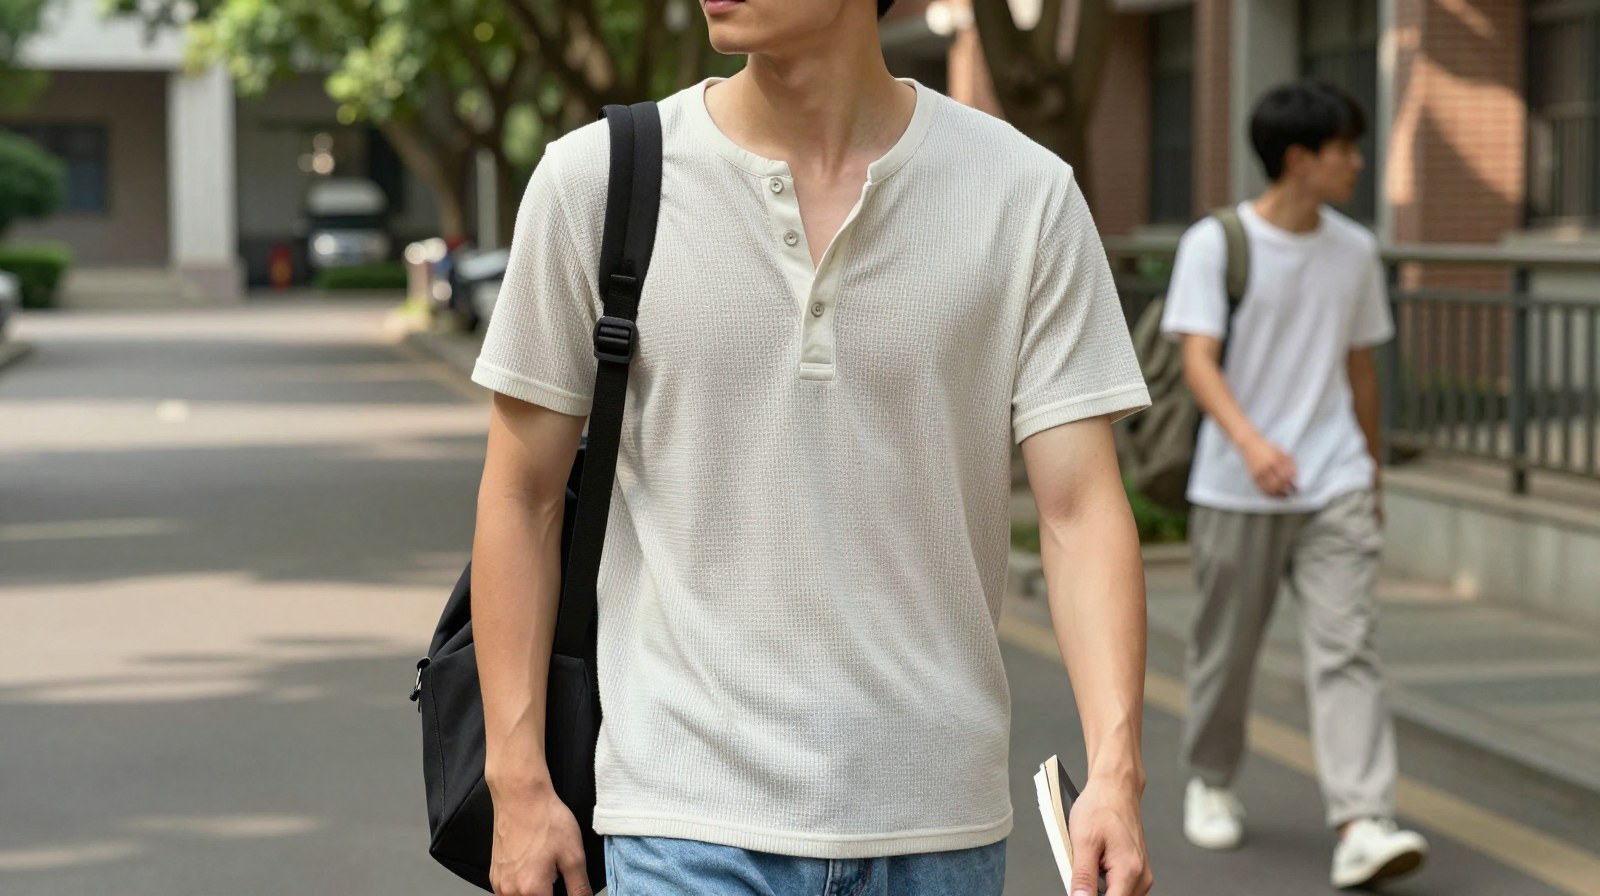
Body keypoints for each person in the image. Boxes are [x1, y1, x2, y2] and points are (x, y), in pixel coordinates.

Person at [468, 1, 1155, 894]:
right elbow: (520, 496)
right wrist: (516, 780)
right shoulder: (594, 183)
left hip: (938, 827)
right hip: (683, 821)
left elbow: (1079, 511)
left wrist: (1115, 771)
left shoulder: (1024, 195)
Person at [1161, 80, 1429, 889]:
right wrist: (1251, 444)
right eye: (1345, 149)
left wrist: (1371, 475)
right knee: (1226, 654)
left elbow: (1360, 368)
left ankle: (1361, 820)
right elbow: (1196, 359)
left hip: (1335, 480)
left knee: (1348, 649)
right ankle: (1209, 781)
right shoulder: (1217, 243)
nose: (1357, 163)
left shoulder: (1353, 249)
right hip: (1238, 484)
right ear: (1299, 159)